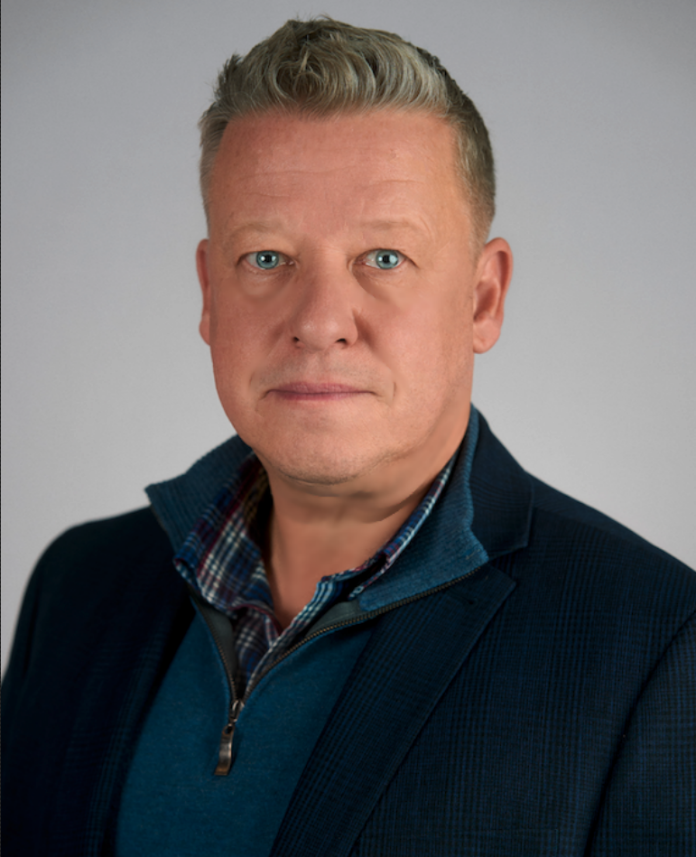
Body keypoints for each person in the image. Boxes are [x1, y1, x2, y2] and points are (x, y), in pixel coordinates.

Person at [3, 17, 695, 857]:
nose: (320, 320)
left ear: (483, 299)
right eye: (266, 258)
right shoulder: (76, 587)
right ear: (210, 295)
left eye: (384, 257)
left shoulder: (654, 642)